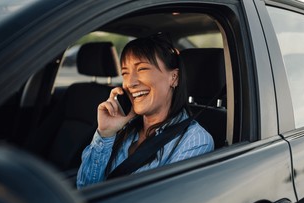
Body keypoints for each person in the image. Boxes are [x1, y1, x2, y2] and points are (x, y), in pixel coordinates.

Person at [76, 34, 214, 188]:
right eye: (125, 73)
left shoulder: (194, 141)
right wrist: (106, 134)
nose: (131, 83)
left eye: (142, 69)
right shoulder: (123, 129)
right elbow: (85, 190)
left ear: (174, 77)